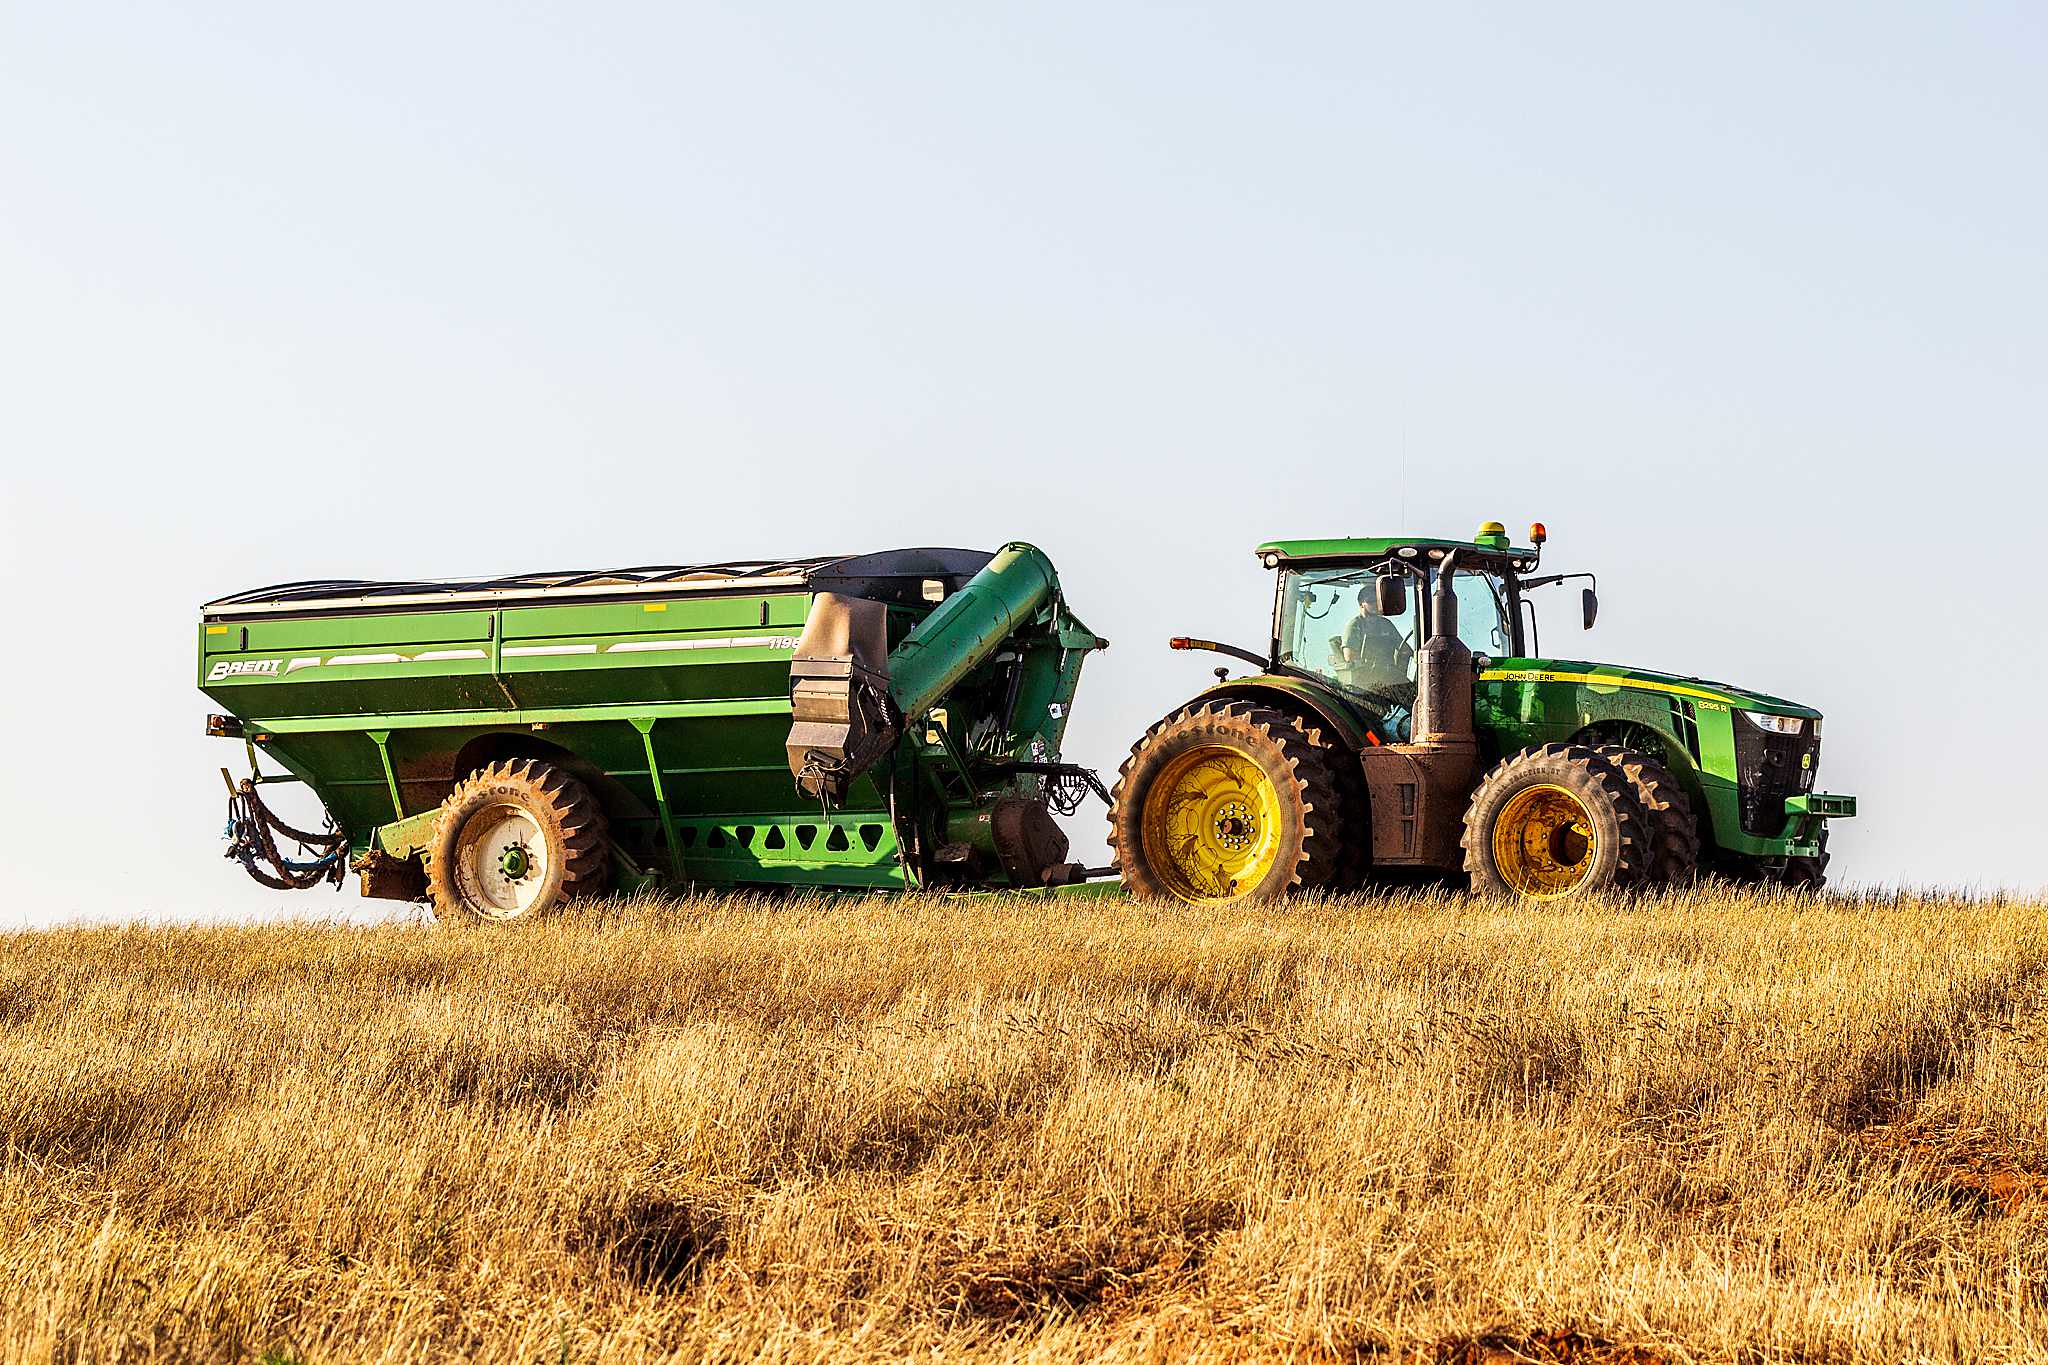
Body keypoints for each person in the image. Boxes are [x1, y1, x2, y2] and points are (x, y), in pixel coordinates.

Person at [1340, 585, 1413, 693]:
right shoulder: (1355, 626)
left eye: (1377, 601)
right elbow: (1350, 657)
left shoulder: (1386, 624)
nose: (1375, 604)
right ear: (1361, 604)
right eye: (1370, 601)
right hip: (1365, 684)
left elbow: (1405, 649)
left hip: (1389, 677)